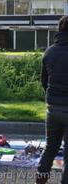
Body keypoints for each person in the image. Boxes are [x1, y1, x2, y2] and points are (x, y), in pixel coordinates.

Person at [36, 16, 68, 184]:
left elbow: (44, 81)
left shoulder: (49, 52)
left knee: (50, 149)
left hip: (53, 108)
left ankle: (40, 181)